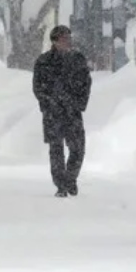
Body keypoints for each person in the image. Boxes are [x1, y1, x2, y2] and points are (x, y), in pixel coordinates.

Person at [32, 25, 92, 198]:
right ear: (55, 41)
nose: (68, 41)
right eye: (64, 38)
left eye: (69, 38)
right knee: (56, 149)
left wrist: (79, 102)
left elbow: (86, 82)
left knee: (78, 148)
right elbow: (37, 87)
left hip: (72, 112)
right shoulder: (44, 61)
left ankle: (70, 179)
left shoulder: (78, 59)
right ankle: (61, 185)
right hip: (53, 113)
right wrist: (48, 103)